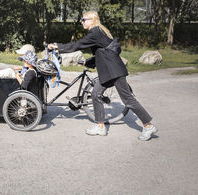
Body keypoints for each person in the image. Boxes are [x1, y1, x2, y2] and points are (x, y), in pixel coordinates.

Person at [48, 10, 157, 141]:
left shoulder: (95, 32)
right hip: (109, 71)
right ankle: (100, 127)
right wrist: (87, 62)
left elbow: (78, 45)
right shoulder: (99, 31)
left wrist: (58, 47)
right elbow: (103, 53)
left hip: (114, 71)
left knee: (128, 99)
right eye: (82, 20)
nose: (82, 22)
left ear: (92, 20)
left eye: (84, 19)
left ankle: (148, 125)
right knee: (95, 94)